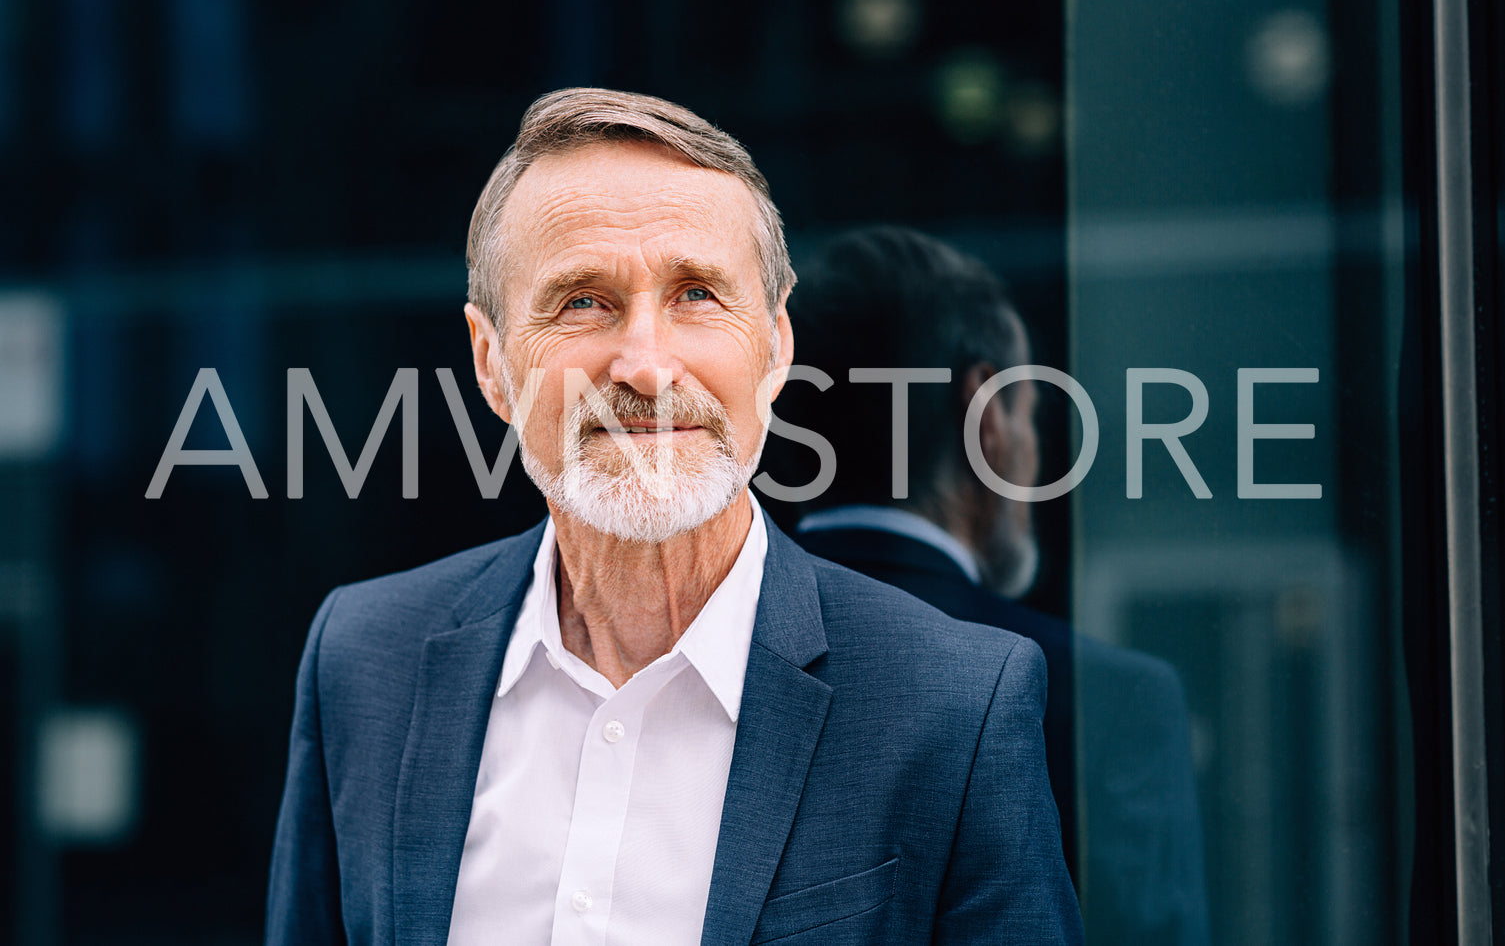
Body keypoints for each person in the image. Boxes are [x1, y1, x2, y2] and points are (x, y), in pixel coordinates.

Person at [265, 91, 1081, 945]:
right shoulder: (363, 659)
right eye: (582, 301)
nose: (647, 366)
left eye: (696, 294)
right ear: (491, 363)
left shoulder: (950, 701)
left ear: (775, 345)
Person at [776, 226, 1208, 945]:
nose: (1037, 452)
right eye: (1029, 411)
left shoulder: (688, 656)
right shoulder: (1110, 699)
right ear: (986, 414)